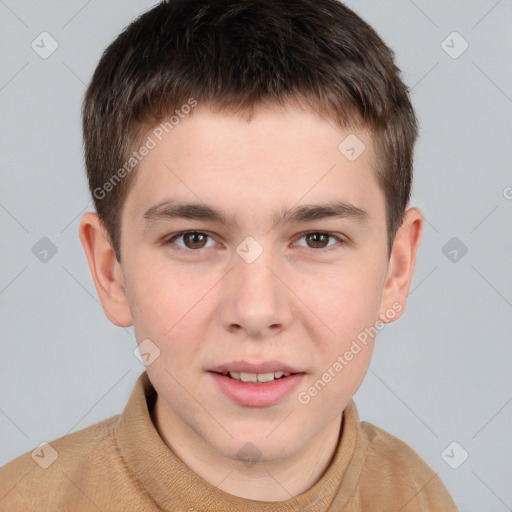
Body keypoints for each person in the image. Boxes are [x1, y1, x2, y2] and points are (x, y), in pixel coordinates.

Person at [0, 0, 459, 510]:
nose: (256, 311)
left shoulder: (419, 494)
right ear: (112, 272)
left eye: (317, 239)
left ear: (396, 269)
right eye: (194, 238)